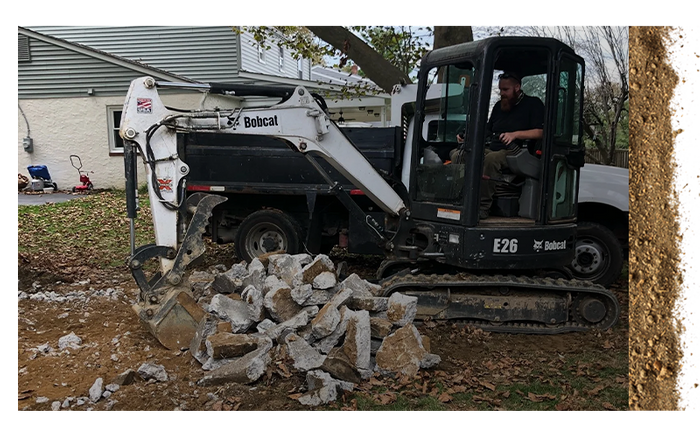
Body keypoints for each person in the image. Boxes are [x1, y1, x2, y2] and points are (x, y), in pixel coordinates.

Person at [478, 72, 544, 219]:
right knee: (460, 154)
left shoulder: (533, 104)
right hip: (492, 147)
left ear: (517, 87)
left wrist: (515, 135)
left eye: (505, 90)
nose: (502, 93)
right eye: (500, 89)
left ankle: (483, 207)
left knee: (492, 159)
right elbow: (488, 130)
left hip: (516, 151)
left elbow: (541, 132)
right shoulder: (498, 107)